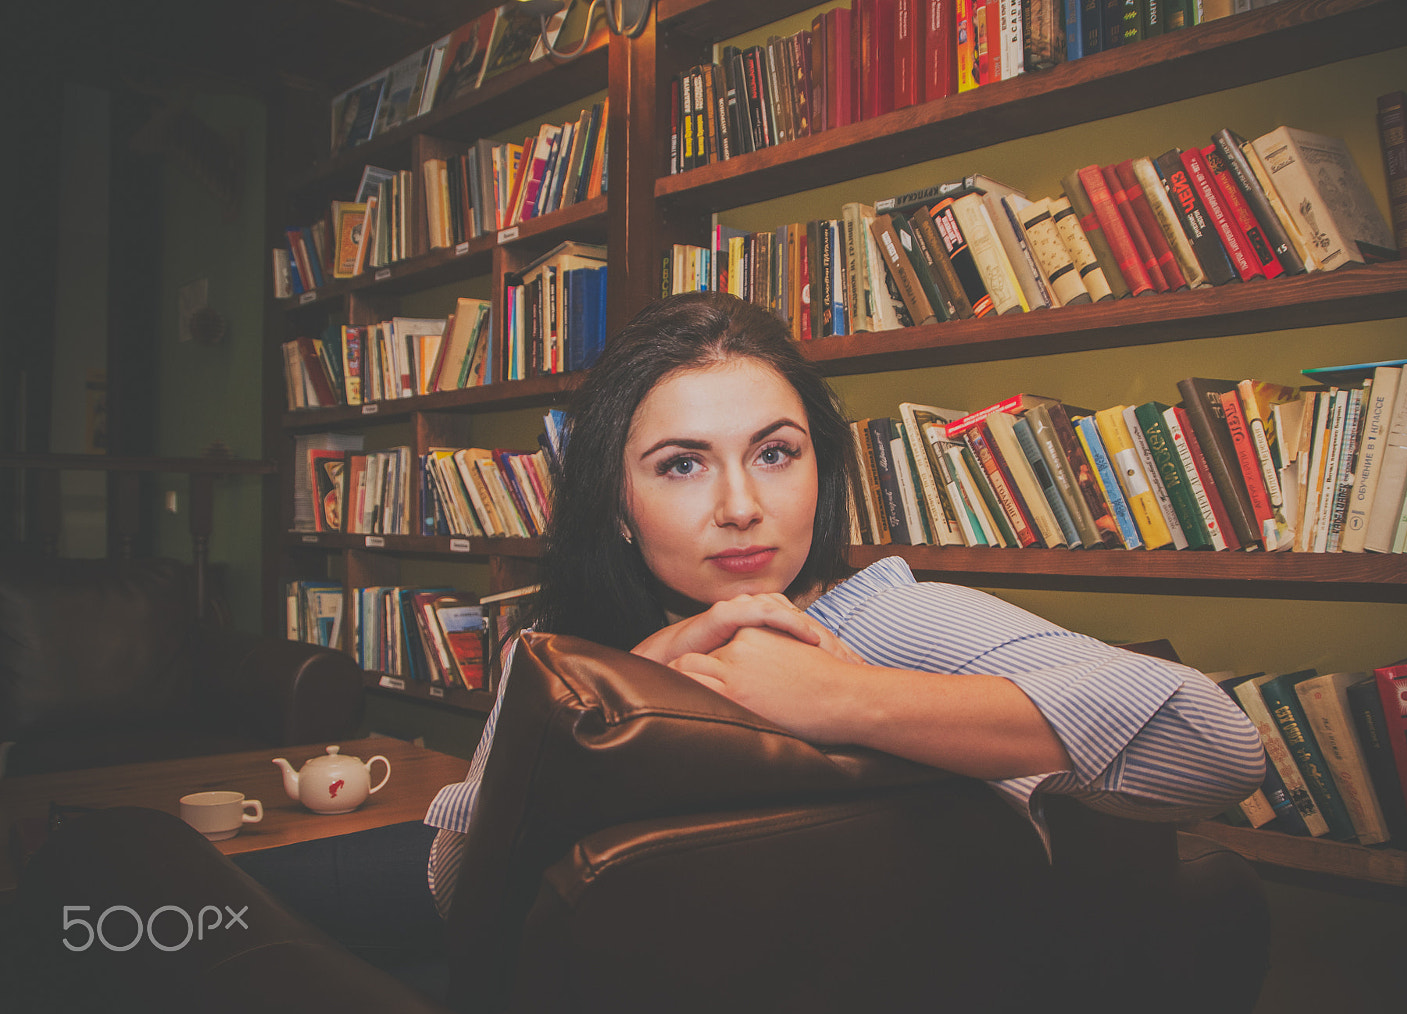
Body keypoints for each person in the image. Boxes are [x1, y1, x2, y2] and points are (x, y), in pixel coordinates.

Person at [423, 291, 1265, 916]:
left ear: (820, 469)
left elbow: (1213, 744)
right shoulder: (559, 650)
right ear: (615, 502)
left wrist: (842, 695)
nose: (741, 504)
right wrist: (611, 694)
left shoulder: (884, 618)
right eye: (682, 464)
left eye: (776, 453)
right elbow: (459, 894)